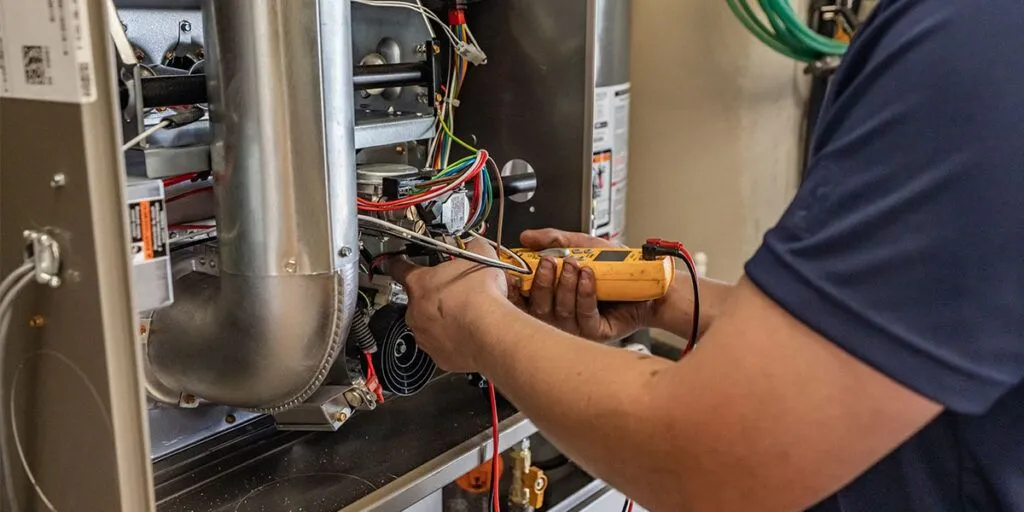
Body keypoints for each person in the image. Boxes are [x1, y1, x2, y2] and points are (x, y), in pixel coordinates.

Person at [391, 0, 1024, 510]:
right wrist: (673, 298)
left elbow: (715, 460)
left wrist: (479, 325)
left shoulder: (970, 36)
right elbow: (909, 331)